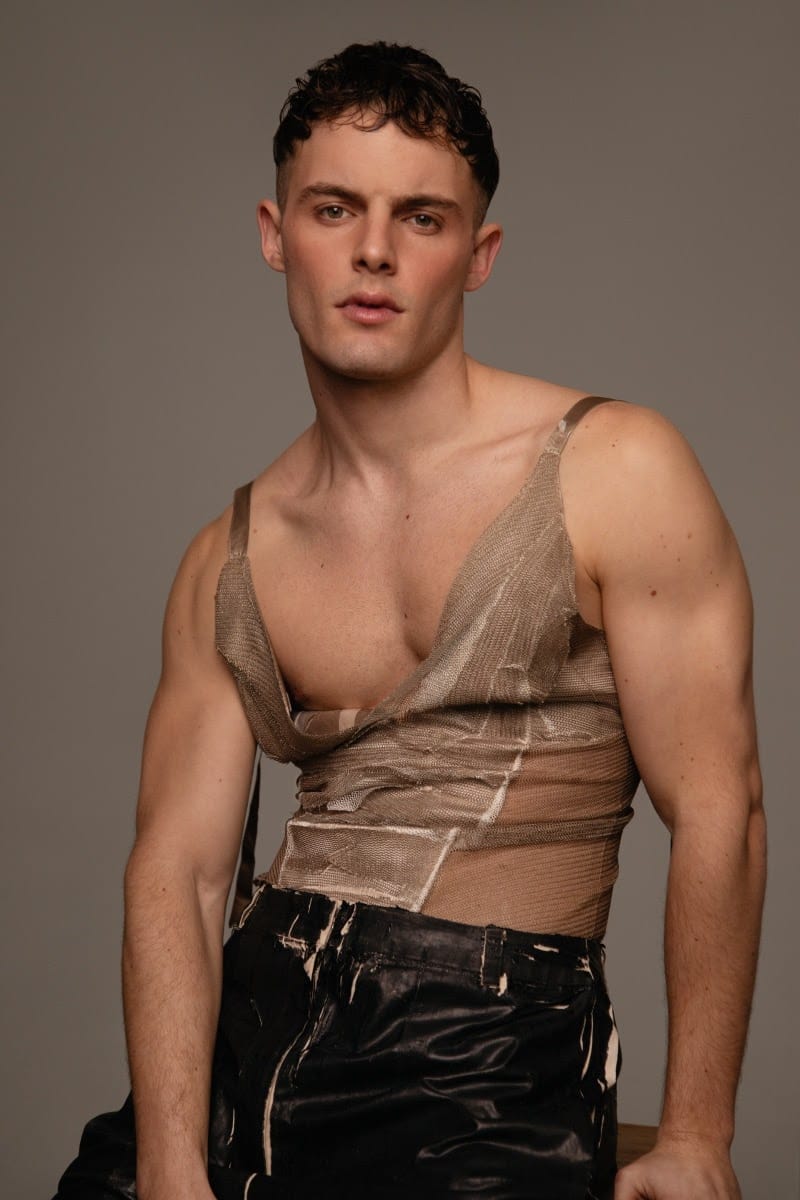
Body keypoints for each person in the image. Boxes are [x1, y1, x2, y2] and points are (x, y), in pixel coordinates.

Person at [54, 40, 765, 1200]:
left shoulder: (613, 471)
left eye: (420, 218)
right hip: (243, 1041)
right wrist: (174, 1170)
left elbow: (720, 807)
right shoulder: (227, 557)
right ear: (275, 233)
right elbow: (176, 875)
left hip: (480, 1056)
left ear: (477, 255)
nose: (372, 250)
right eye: (334, 208)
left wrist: (694, 1133)